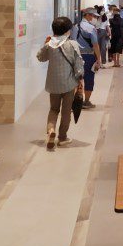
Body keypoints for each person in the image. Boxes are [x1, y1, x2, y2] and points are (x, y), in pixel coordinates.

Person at [36, 16, 84, 149]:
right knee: (66, 111)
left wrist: (45, 43)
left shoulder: (49, 44)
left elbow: (40, 57)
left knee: (53, 109)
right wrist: (80, 79)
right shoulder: (72, 44)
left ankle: (51, 130)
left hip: (53, 84)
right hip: (68, 84)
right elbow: (78, 65)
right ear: (67, 31)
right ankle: (62, 137)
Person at [71, 8, 102, 109]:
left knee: (77, 79)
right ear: (88, 15)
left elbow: (73, 41)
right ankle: (86, 102)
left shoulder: (75, 27)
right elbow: (95, 45)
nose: (94, 18)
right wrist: (99, 58)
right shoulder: (91, 28)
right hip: (88, 56)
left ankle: (75, 102)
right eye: (94, 16)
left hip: (76, 56)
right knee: (89, 78)